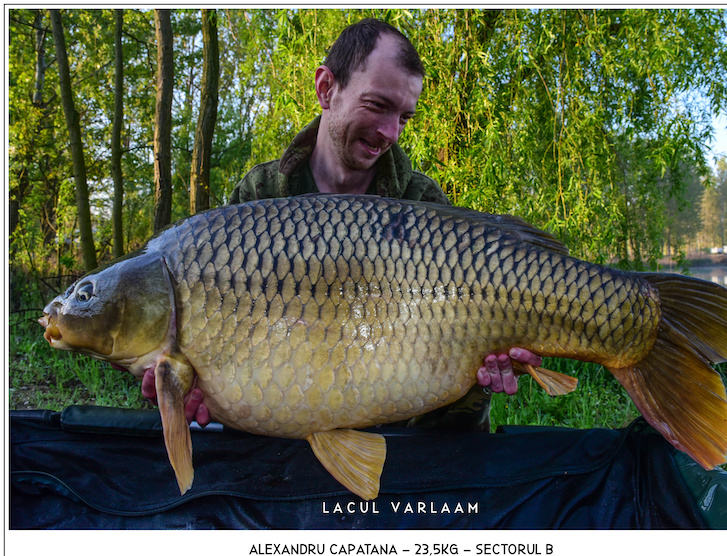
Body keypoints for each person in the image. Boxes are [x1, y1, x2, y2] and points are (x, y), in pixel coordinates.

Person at [141, 18, 541, 431]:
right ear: (326, 88)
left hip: (396, 440)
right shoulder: (259, 195)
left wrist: (481, 382)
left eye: (404, 117)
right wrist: (188, 385)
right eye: (378, 106)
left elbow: (451, 416)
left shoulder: (423, 204)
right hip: (282, 438)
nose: (390, 133)